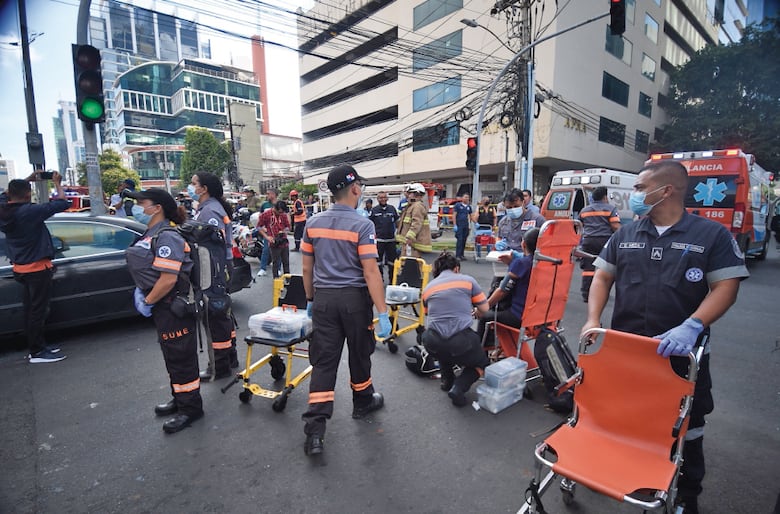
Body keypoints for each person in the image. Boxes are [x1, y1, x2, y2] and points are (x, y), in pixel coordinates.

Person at [581, 161, 749, 514]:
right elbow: (601, 278)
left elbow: (726, 286)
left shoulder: (711, 236)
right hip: (627, 351)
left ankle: (687, 493)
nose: (635, 195)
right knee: (624, 413)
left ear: (667, 190)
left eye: (641, 187)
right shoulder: (625, 234)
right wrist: (593, 319)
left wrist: (692, 325)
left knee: (689, 424)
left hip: (681, 354)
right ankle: (627, 471)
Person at [300, 164, 392, 456]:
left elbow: (306, 267)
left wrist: (311, 300)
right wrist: (383, 312)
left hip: (325, 300)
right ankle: (362, 400)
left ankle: (315, 431)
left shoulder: (312, 223)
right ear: (355, 189)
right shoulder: (363, 225)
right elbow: (371, 272)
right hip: (354, 301)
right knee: (359, 352)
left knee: (324, 363)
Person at [124, 188, 203, 434]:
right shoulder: (151, 233)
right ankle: (180, 398)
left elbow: (168, 280)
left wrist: (147, 300)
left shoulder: (167, 236)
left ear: (156, 207)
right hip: (163, 306)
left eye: (141, 203)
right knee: (172, 355)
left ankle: (191, 408)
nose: (137, 208)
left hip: (173, 306)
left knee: (181, 357)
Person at [0, 171, 70, 363]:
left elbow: (6, 195)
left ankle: (38, 347)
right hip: (37, 269)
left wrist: (26, 181)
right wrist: (57, 183)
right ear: (28, 194)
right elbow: (63, 203)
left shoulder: (4, 211)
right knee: (37, 312)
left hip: (20, 268)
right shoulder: (29, 212)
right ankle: (38, 352)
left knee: (31, 310)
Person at [420, 252, 489, 407]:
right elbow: (484, 308)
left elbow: (428, 314)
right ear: (456, 268)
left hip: (432, 340)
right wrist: (475, 312)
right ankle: (459, 388)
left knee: (443, 349)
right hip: (461, 340)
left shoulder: (428, 289)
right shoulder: (468, 281)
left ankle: (447, 381)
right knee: (481, 363)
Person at [189, 172, 239, 379]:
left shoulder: (210, 211)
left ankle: (219, 366)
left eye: (193, 184)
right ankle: (230, 358)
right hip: (218, 268)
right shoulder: (210, 208)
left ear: (204, 188)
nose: (190, 187)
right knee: (222, 314)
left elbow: (211, 245)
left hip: (212, 269)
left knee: (213, 317)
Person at [476, 228, 538, 342]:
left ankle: (480, 355)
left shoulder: (521, 263)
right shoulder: (547, 263)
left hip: (519, 315)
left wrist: (483, 308)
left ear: (523, 244)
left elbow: (502, 290)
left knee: (486, 316)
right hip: (540, 314)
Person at [577, 186, 620, 302]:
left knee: (588, 269)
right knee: (604, 268)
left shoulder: (584, 210)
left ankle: (586, 293)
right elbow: (615, 226)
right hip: (604, 241)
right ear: (605, 197)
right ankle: (601, 293)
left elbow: (578, 226)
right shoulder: (610, 209)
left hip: (588, 240)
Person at [369, 191, 399, 283]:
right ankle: (379, 280)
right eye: (380, 198)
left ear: (387, 198)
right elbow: (369, 224)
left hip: (391, 240)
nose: (383, 199)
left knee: (392, 262)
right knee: (378, 262)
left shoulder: (392, 209)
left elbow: (398, 222)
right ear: (377, 199)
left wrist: (399, 234)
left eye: (384, 197)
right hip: (379, 240)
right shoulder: (374, 210)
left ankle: (392, 280)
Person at [396, 183, 432, 257]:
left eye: (410, 193)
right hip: (408, 243)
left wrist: (409, 237)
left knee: (411, 265)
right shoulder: (411, 206)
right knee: (405, 264)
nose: (408, 196)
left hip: (412, 243)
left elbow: (416, 223)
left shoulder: (417, 206)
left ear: (417, 194)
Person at [257, 200, 291, 279]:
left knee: (286, 262)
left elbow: (288, 226)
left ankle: (288, 281)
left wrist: (284, 231)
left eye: (281, 212)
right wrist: (267, 237)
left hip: (283, 241)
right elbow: (258, 227)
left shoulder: (283, 215)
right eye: (278, 212)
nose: (280, 214)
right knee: (275, 263)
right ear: (274, 208)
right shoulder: (266, 214)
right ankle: (276, 281)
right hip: (273, 242)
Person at [256, 188, 279, 277]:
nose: (267, 195)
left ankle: (278, 269)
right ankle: (263, 268)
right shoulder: (264, 205)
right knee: (265, 250)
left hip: (277, 232)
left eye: (269, 194)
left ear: (273, 194)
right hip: (267, 231)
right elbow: (260, 217)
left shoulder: (279, 204)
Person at [452, 194, 473, 261]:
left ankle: (462, 255)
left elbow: (470, 216)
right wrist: (455, 225)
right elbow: (454, 215)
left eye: (468, 198)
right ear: (462, 198)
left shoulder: (469, 207)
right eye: (465, 197)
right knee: (460, 240)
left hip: (465, 225)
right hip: (459, 225)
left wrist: (472, 225)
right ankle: (457, 255)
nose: (467, 199)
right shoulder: (458, 205)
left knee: (464, 240)